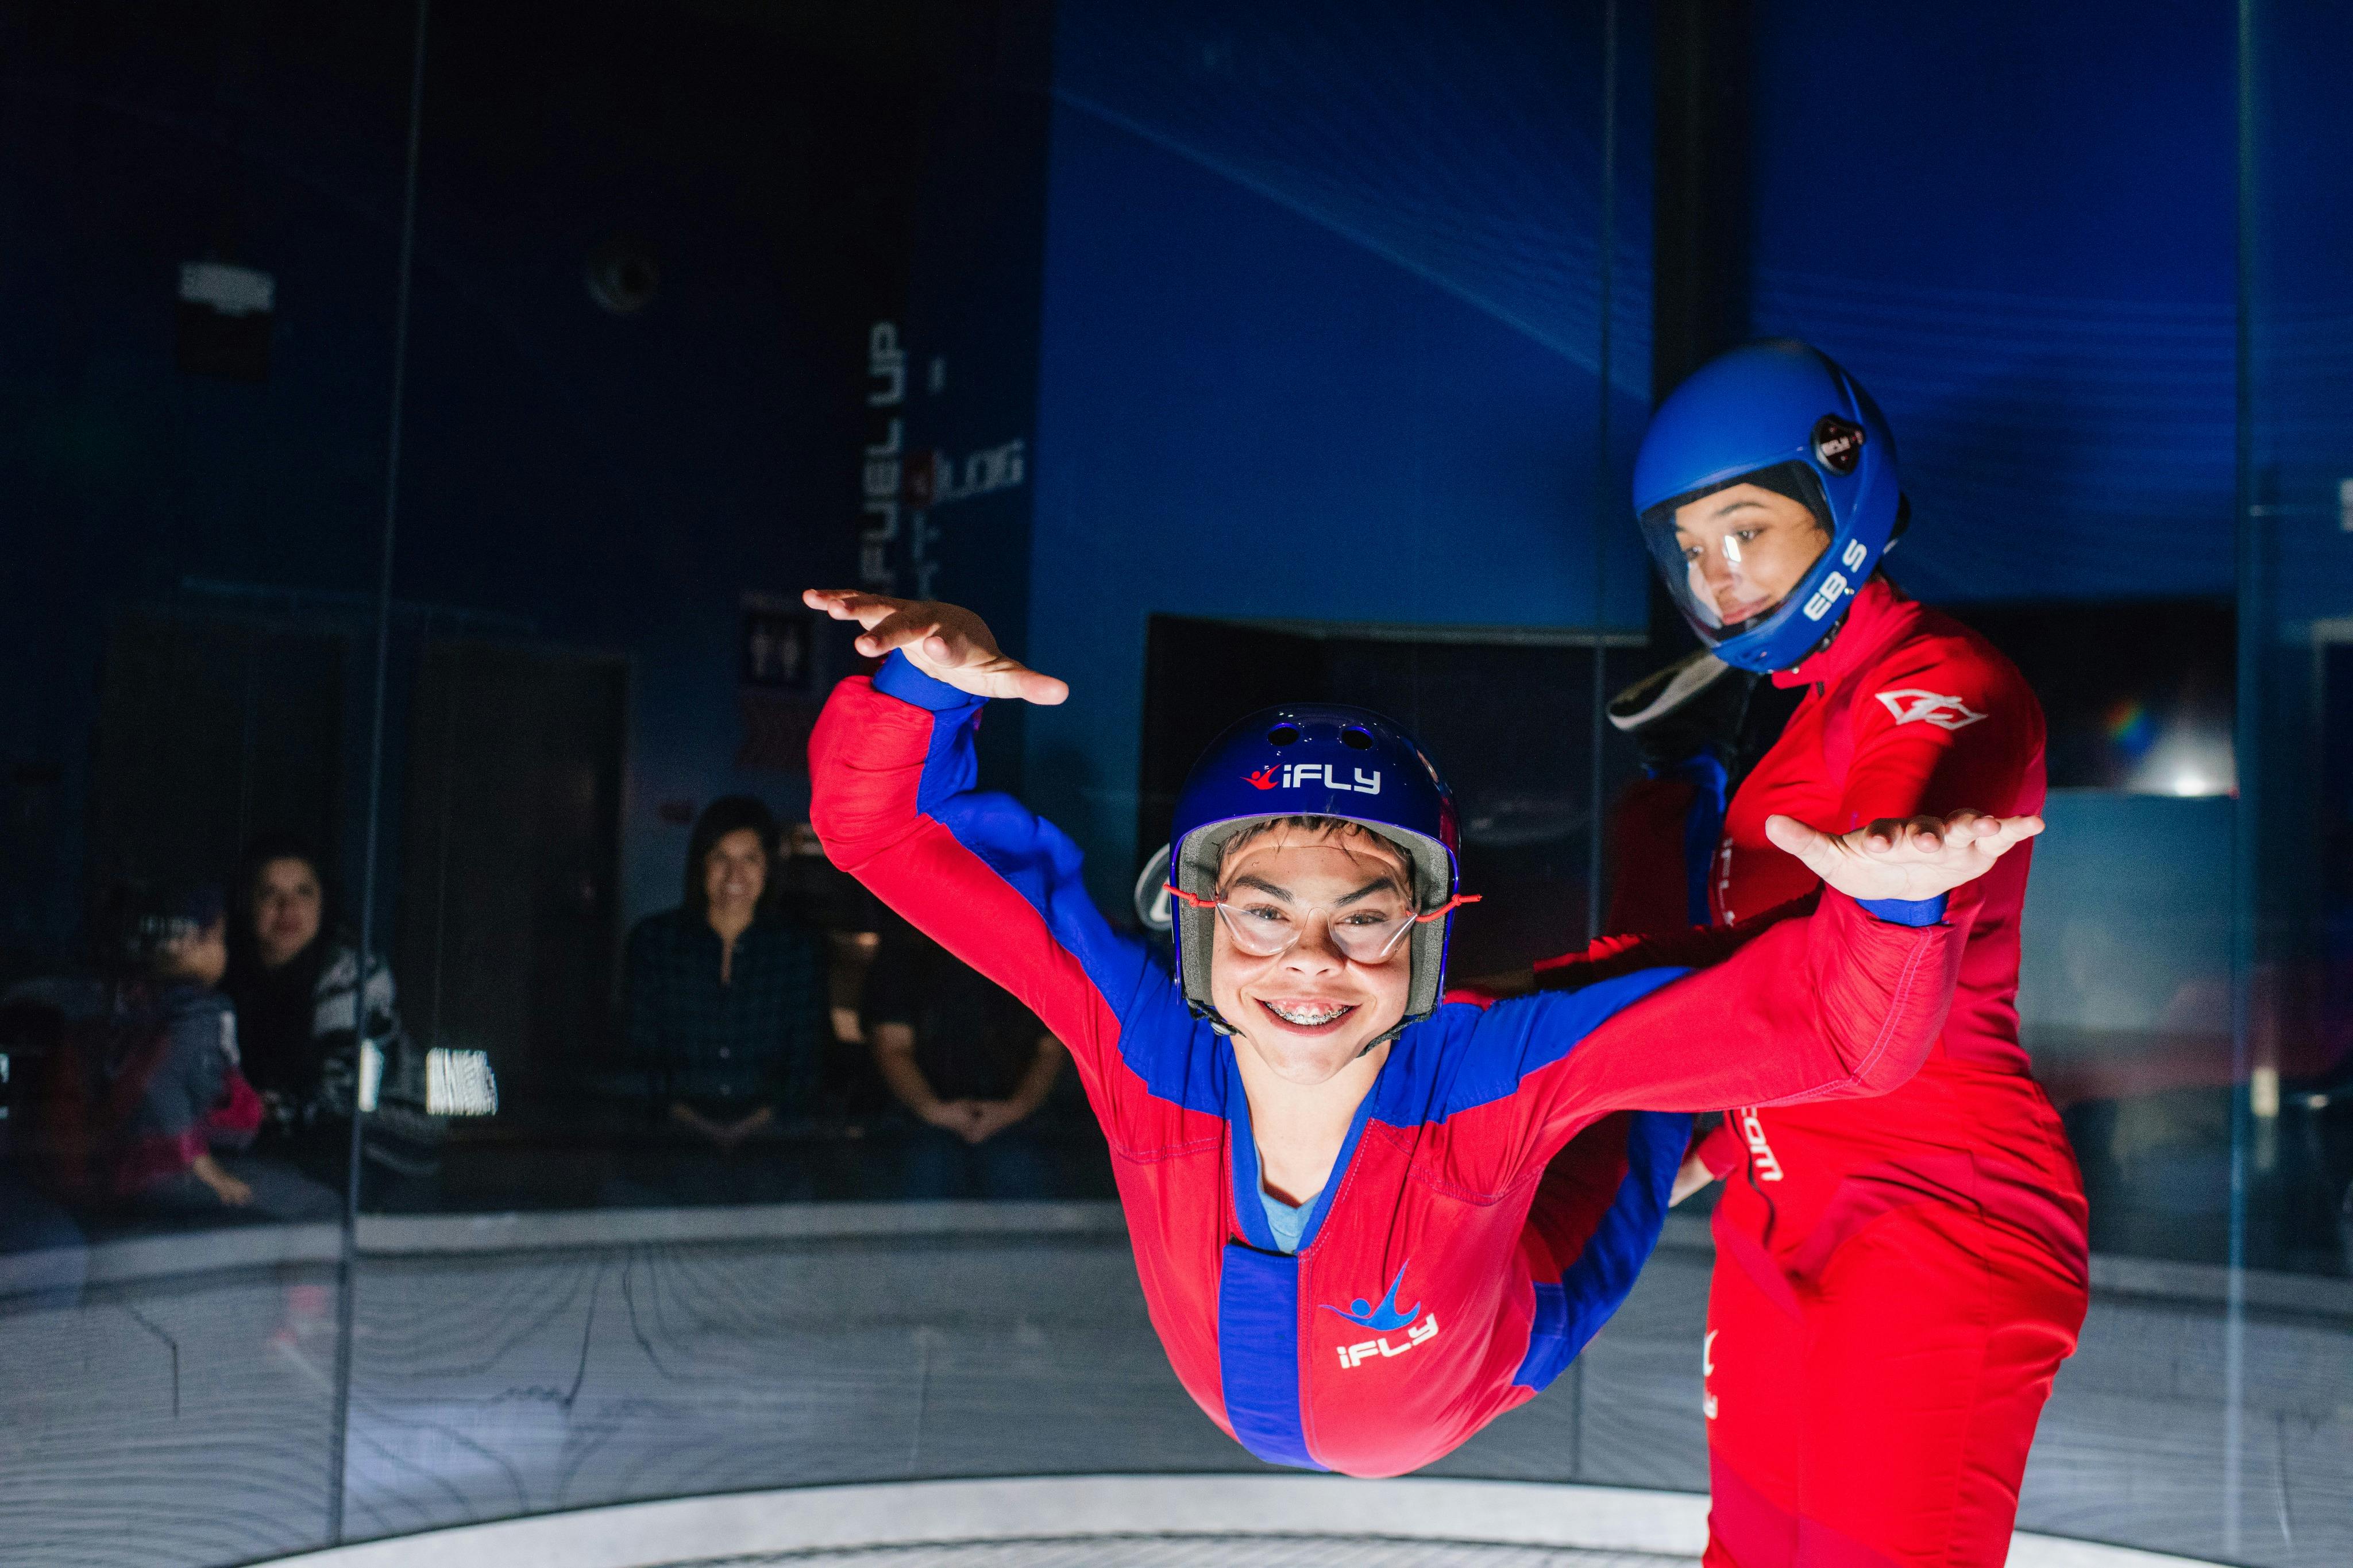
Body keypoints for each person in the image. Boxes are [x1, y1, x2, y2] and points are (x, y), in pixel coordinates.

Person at [801, 586, 2039, 1478]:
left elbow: (1839, 1036)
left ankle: (1680, 787)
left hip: (1497, 1343)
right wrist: (919, 690)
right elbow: (891, 833)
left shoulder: (1481, 1068)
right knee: (1608, 1031)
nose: (1309, 961)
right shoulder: (1144, 1034)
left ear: (1426, 935)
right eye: (1266, 913)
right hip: (1370, 1291)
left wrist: (1894, 911)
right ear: (1196, 919)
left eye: (1363, 918)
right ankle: (1677, 794)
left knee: (1648, 1097)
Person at [1596, 339, 2089, 1566]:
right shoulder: (1801, 718)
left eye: (1745, 530)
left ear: (1840, 491)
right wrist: (1697, 1152)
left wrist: (1900, 857)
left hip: (1935, 1224)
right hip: (1782, 1210)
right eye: (1689, 549)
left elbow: (1906, 807)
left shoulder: (1937, 675)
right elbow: (1774, 1002)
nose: (1716, 575)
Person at [84, 883, 338, 1221]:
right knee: (322, 1208)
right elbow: (160, 1086)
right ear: (178, 945)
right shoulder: (196, 1014)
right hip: (168, 1169)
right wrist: (206, 1168)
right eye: (216, 940)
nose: (223, 952)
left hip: (134, 1166)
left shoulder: (134, 1004)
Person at [624, 796, 828, 1198]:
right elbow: (639, 1050)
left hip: (774, 1148)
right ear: (701, 864)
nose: (735, 874)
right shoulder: (655, 942)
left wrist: (753, 1125)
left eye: (750, 859)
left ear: (768, 868)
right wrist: (694, 1122)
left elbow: (808, 1058)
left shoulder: (798, 950)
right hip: (672, 1146)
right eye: (721, 857)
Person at [221, 840, 444, 1204]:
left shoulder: (350, 973)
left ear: (324, 902)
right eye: (269, 893)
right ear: (245, 905)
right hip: (301, 1148)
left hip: (383, 1155)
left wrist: (256, 1110)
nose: (288, 908)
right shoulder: (227, 974)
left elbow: (341, 1095)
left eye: (304, 892)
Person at [862, 910, 1065, 1199]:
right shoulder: (905, 950)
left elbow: (1051, 1048)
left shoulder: (1028, 948)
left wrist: (1016, 1108)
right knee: (928, 1170)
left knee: (1021, 1171)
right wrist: (933, 1110)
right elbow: (892, 1047)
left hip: (1016, 1118)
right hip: (921, 1119)